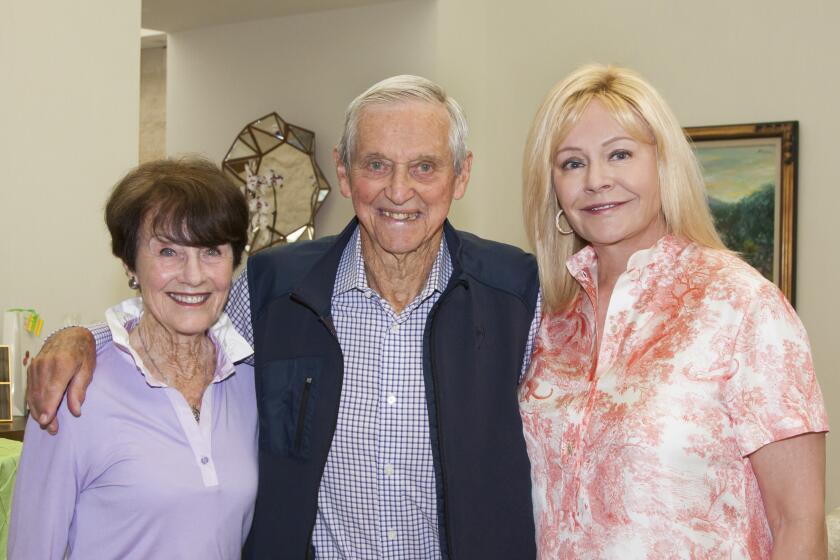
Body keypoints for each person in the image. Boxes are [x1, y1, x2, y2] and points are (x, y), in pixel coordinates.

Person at [27, 76, 541, 559]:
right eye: (377, 165)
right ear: (343, 172)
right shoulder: (273, 287)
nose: (399, 191)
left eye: (425, 167)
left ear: (462, 174)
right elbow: (180, 315)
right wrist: (81, 339)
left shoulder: (516, 292)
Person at [519, 64, 829, 559]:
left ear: (664, 165)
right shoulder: (545, 317)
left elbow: (800, 523)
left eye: (619, 154)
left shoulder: (742, 307)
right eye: (572, 163)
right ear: (552, 186)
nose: (597, 180)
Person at [10, 159, 257, 558]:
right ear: (129, 265)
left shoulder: (247, 380)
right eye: (168, 251)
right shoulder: (75, 392)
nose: (193, 275)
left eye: (212, 250)